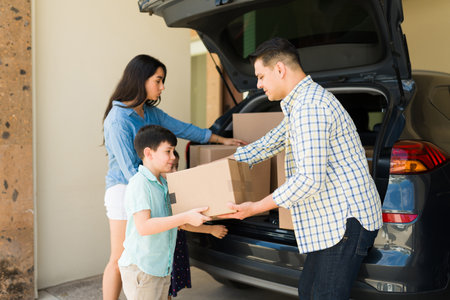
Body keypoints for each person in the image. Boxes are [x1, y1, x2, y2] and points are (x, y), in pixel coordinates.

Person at [221, 37, 383, 300]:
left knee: (323, 295)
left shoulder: (310, 107)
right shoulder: (300, 104)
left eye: (261, 76)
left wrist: (255, 208)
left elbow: (308, 180)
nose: (258, 84)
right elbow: (272, 141)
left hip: (345, 220)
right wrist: (229, 163)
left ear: (280, 69)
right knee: (309, 290)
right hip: (331, 217)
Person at [102, 54, 244, 300]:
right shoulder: (117, 120)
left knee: (154, 252)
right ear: (140, 79)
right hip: (125, 189)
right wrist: (171, 182)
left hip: (153, 184)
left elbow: (183, 128)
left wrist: (220, 139)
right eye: (158, 80)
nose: (162, 87)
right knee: (120, 257)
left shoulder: (150, 112)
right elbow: (130, 170)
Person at [118, 124, 211, 300]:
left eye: (174, 151)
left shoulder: (163, 184)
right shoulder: (140, 184)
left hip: (160, 267)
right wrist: (185, 216)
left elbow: (178, 220)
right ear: (149, 153)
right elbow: (144, 227)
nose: (173, 157)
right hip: (143, 269)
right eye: (168, 151)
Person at [164, 150, 228, 299]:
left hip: (174, 245)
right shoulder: (165, 192)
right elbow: (182, 223)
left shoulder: (173, 188)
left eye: (176, 167)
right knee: (165, 287)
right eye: (171, 167)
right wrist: (211, 229)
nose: (175, 171)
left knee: (167, 289)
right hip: (168, 248)